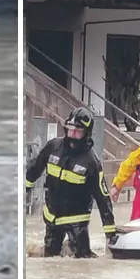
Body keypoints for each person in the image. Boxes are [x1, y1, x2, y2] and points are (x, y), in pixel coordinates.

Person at [25, 107, 118, 258]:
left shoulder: (91, 162)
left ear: (86, 134)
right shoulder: (53, 146)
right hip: (52, 217)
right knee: (50, 260)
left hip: (77, 223)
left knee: (81, 262)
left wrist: (110, 234)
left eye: (78, 131)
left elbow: (103, 199)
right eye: (70, 130)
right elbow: (34, 170)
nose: (72, 135)